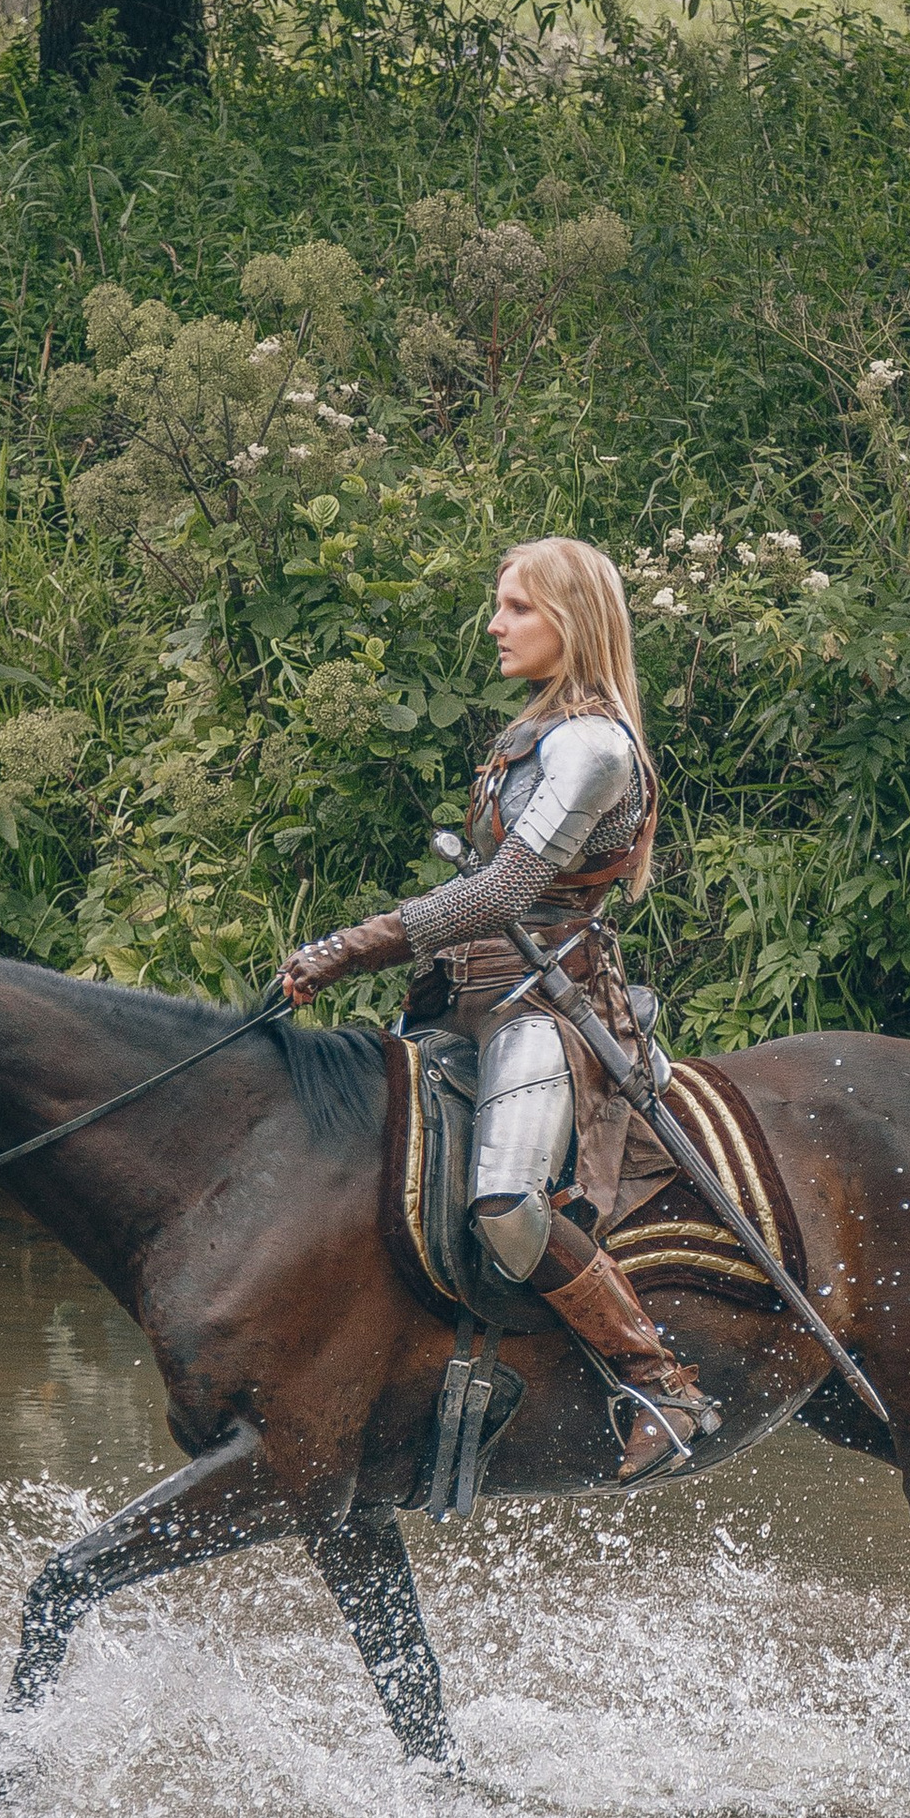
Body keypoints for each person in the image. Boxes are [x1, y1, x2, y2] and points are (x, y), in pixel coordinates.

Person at [281, 535, 718, 1480]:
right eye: (500, 603)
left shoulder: (594, 746)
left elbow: (505, 890)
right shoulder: (530, 734)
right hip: (463, 992)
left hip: (543, 1006)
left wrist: (352, 946)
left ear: (573, 619)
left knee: (506, 1204)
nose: (495, 624)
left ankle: (658, 1380)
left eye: (518, 606)